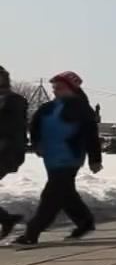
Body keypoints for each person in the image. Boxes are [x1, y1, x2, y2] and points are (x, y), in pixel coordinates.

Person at [10, 72, 102, 248]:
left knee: (51, 195)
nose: (55, 91)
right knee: (65, 193)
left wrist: (95, 159)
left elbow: (92, 136)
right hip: (51, 158)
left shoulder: (82, 109)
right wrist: (36, 144)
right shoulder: (48, 108)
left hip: (70, 157)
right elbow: (34, 126)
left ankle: (32, 233)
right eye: (54, 87)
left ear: (72, 88)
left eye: (60, 87)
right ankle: (85, 222)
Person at [0, 66, 28, 238]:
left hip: (6, 151)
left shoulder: (14, 100)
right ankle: (7, 218)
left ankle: (7, 219)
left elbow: (14, 127)